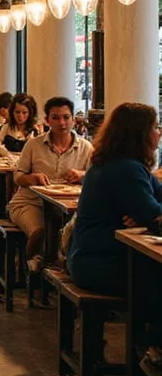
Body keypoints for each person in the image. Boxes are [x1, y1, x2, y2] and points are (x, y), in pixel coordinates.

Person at [68, 103, 162, 296]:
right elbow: (155, 217)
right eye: (155, 127)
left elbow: (153, 204)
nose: (159, 133)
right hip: (102, 264)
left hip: (88, 256)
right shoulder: (126, 168)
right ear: (140, 134)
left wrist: (143, 215)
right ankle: (145, 325)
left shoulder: (115, 162)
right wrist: (146, 217)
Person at [8, 96, 93, 273]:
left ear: (73, 119)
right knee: (40, 232)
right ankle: (33, 267)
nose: (62, 123)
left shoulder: (86, 147)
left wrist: (82, 175)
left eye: (66, 117)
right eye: (55, 117)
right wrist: (33, 177)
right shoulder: (34, 145)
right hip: (31, 202)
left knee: (73, 234)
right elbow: (18, 176)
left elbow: (95, 179)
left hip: (70, 207)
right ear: (47, 120)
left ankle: (57, 269)